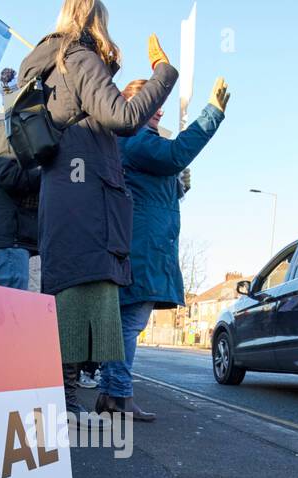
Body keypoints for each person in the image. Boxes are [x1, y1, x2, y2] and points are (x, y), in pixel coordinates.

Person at [17, 0, 178, 415]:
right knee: (82, 299)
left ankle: (65, 402)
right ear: (96, 21)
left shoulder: (54, 62)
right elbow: (123, 116)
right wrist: (163, 75)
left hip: (66, 198)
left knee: (73, 297)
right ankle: (65, 405)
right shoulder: (79, 58)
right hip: (88, 202)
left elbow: (89, 110)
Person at [96, 77, 230, 421]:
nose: (159, 109)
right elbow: (173, 155)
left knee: (126, 322)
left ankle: (113, 394)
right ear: (131, 105)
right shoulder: (135, 138)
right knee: (129, 324)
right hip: (142, 246)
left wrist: (177, 187)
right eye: (151, 101)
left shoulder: (132, 140)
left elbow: (153, 184)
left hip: (144, 243)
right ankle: (119, 397)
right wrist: (211, 113)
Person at [0, 69, 41, 290]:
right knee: (11, 314)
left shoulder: (6, 128)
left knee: (11, 313)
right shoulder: (3, 128)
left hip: (12, 237)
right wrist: (46, 173)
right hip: (9, 237)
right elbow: (6, 175)